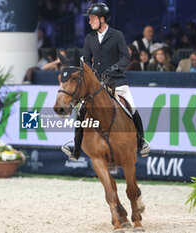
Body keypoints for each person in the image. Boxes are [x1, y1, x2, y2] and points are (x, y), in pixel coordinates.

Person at [61, 2, 150, 161]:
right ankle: (76, 148)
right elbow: (87, 59)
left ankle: (141, 141)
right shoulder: (90, 38)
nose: (89, 22)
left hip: (116, 81)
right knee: (81, 111)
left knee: (131, 107)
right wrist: (91, 71)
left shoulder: (117, 35)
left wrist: (115, 68)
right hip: (96, 83)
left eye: (92, 18)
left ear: (102, 19)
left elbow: (125, 56)